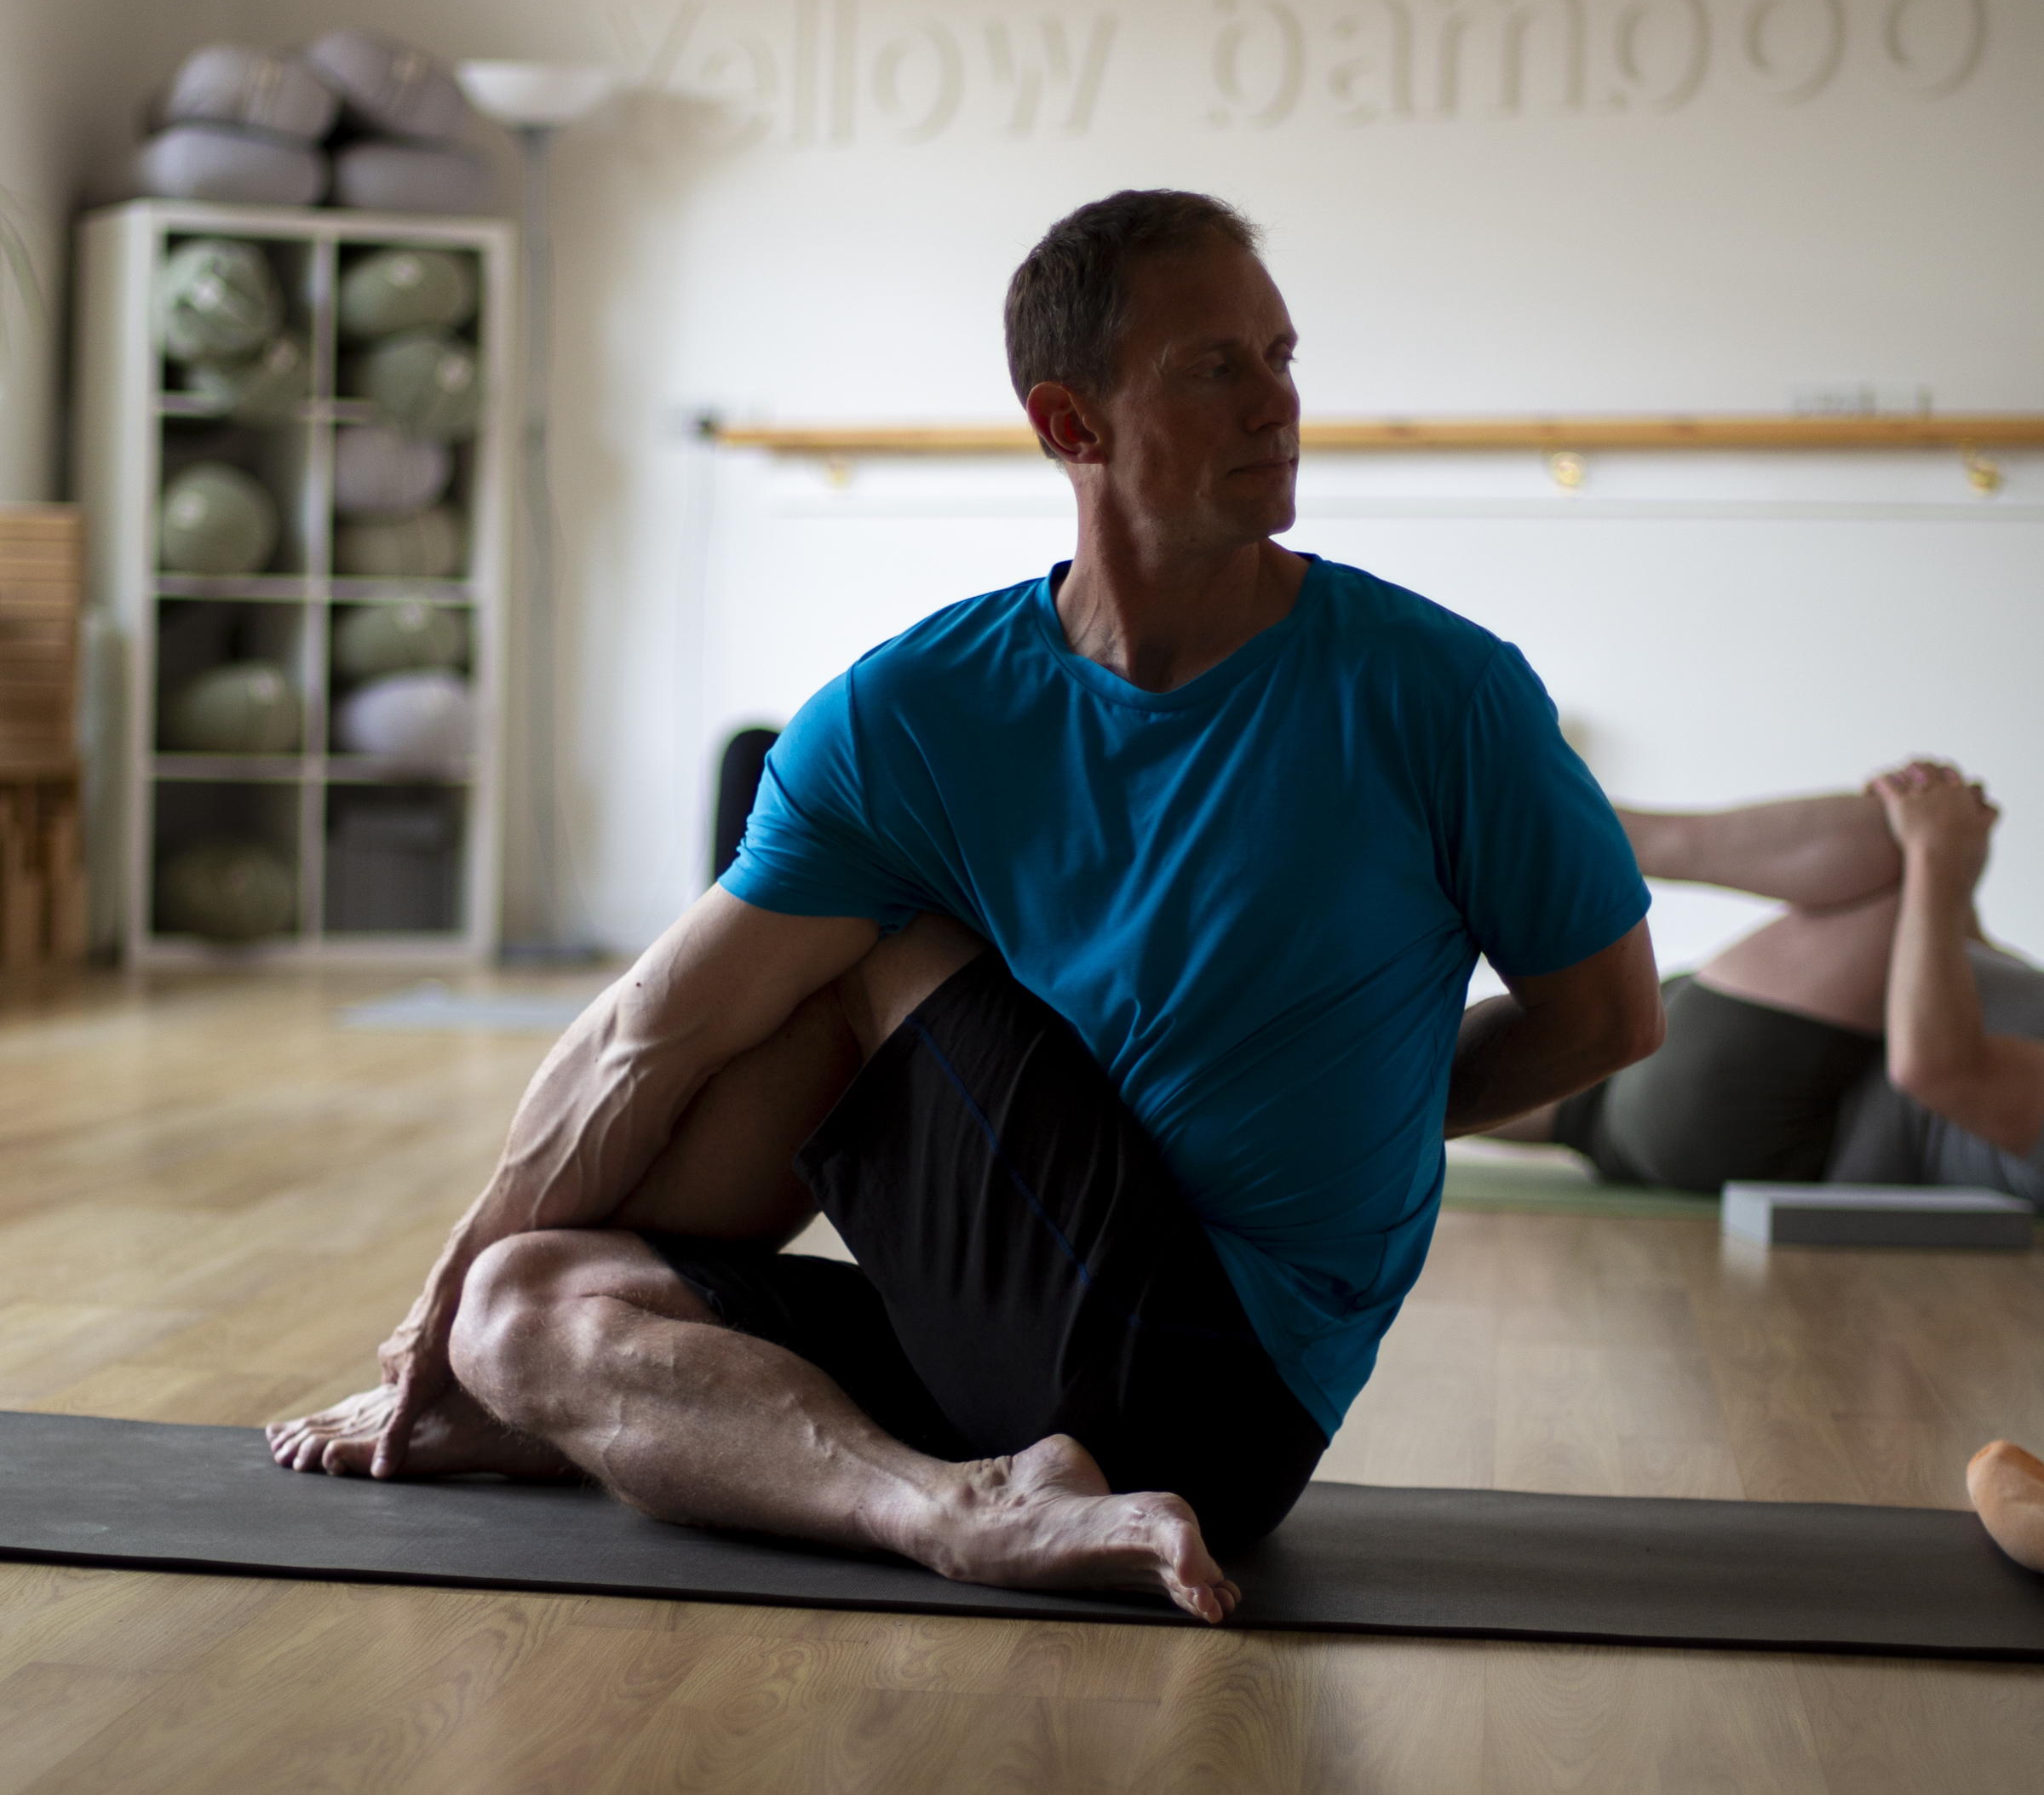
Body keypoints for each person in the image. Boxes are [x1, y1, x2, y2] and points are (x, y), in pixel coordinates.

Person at [268, 190, 1662, 1622]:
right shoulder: (915, 709)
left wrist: (1338, 1112)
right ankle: (941, 1503)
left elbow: (1607, 1016)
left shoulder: (1440, 694)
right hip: (1005, 1339)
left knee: (867, 952)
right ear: (1073, 426)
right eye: (1217, 367)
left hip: (1222, 1397)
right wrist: (437, 1332)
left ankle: (910, 1485)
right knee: (530, 1307)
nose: (1277, 404)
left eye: (1282, 356)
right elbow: (649, 1036)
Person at [1496, 760, 2044, 1197]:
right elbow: (1970, 977)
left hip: (1762, 1105)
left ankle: (1538, 827)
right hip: (1642, 1094)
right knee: (1422, 1075)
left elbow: (1938, 1069)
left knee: (1888, 847)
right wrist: (1947, 844)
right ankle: (1532, 835)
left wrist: (1935, 857)